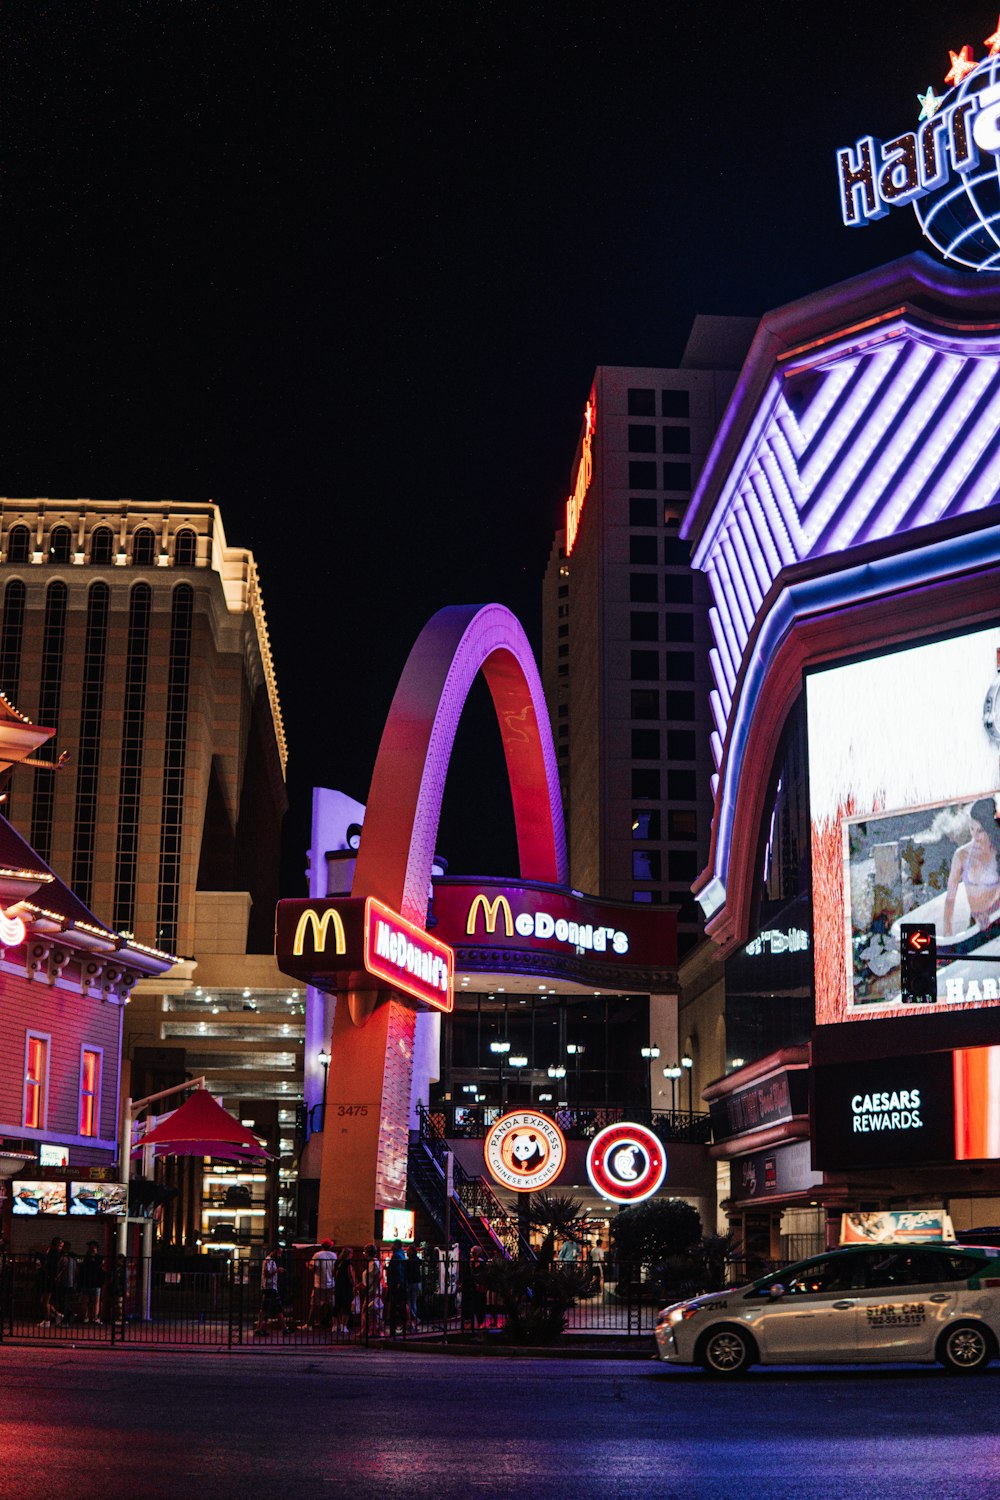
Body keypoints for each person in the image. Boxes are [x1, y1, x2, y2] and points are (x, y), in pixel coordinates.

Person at [944, 798, 1000, 947]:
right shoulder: (961, 855)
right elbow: (950, 899)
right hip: (975, 923)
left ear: (990, 827)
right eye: (971, 829)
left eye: (980, 831)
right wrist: (947, 930)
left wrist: (990, 912)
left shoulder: (998, 852)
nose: (975, 837)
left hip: (996, 921)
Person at [307, 1239, 337, 1329]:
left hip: (319, 1283)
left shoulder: (317, 1254)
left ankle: (310, 1324)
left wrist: (308, 1265)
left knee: (314, 1305)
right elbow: (335, 1270)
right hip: (331, 1283)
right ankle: (335, 1324)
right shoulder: (334, 1255)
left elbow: (314, 1269)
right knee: (332, 1305)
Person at [255, 1247, 285, 1335]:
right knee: (278, 1307)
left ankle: (258, 1328)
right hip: (270, 1287)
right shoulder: (269, 1261)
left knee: (264, 1309)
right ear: (274, 1251)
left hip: (268, 1287)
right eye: (279, 1252)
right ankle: (284, 1327)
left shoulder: (270, 1261)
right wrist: (277, 1270)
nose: (280, 1255)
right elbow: (267, 1274)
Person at [78, 1240, 105, 1325]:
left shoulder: (88, 1258)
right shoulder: (96, 1258)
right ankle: (91, 1317)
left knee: (91, 1301)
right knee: (89, 1301)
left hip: (91, 1282)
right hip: (90, 1282)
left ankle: (91, 1317)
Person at [386, 1240, 408, 1338]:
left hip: (395, 1283)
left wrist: (398, 1281)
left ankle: (394, 1328)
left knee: (394, 1304)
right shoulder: (401, 1254)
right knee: (399, 1304)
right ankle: (400, 1326)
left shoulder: (396, 1256)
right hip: (399, 1282)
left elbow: (398, 1269)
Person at [39, 1236, 63, 1325]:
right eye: (60, 1245)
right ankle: (56, 1314)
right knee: (43, 1300)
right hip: (49, 1278)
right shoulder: (54, 1253)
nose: (61, 1248)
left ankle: (47, 1320)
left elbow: (50, 1266)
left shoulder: (54, 1254)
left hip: (50, 1279)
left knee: (45, 1301)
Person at [333, 1245, 355, 1335]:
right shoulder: (348, 1262)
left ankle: (334, 1325)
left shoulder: (337, 1262)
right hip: (347, 1285)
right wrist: (354, 1284)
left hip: (338, 1284)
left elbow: (333, 1273)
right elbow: (350, 1274)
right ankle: (343, 1326)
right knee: (346, 1305)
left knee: (337, 1305)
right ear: (349, 1254)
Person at [362, 1244, 383, 1335]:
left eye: (365, 1252)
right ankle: (369, 1331)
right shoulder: (371, 1263)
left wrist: (374, 1291)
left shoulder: (374, 1264)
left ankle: (372, 1331)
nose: (364, 1254)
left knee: (371, 1311)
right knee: (369, 1311)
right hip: (369, 1290)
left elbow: (377, 1277)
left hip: (373, 1291)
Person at [405, 1244, 422, 1325]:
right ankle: (413, 1321)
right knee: (414, 1302)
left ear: (411, 1252)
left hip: (411, 1282)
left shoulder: (409, 1262)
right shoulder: (417, 1260)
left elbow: (407, 1273)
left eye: (408, 1250)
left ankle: (414, 1318)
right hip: (417, 1282)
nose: (407, 1252)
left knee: (408, 1302)